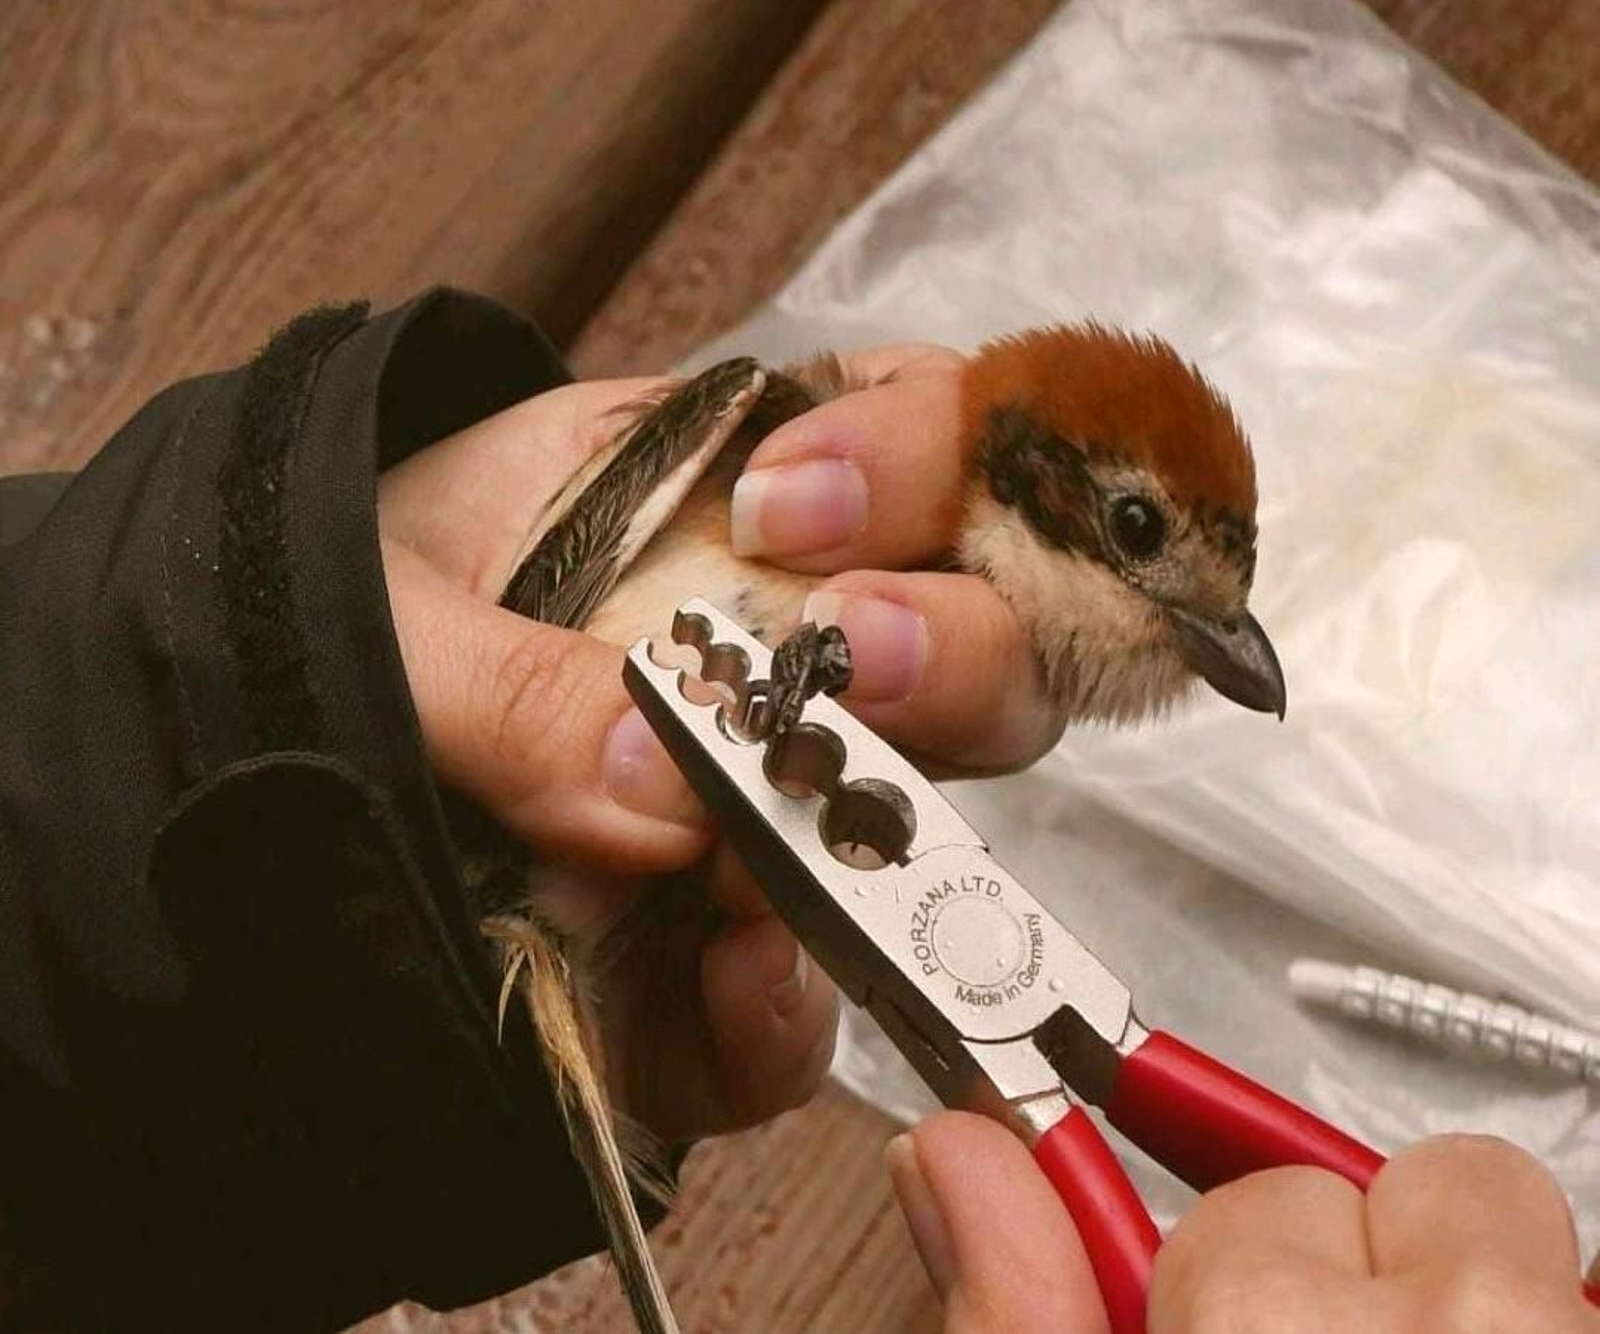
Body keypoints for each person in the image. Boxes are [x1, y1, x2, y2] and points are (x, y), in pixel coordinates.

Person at [0, 291, 1590, 1331]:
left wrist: (218, 692)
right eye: (1132, 530)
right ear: (1033, 472)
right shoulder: (776, 454)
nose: (1208, 635)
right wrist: (279, 648)